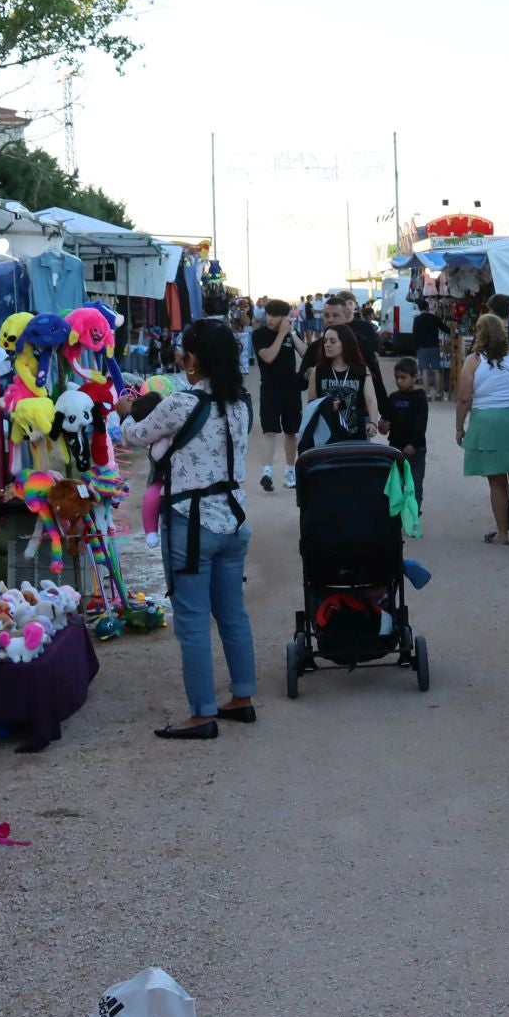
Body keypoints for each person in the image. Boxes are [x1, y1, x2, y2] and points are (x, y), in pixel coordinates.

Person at [118, 318, 257, 740]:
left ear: (193, 359)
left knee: (192, 621)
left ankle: (201, 713)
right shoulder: (241, 404)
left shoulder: (181, 402)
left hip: (191, 524)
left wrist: (125, 412)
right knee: (232, 613)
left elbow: (137, 437)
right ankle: (243, 696)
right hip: (233, 521)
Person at [456, 312, 509, 544]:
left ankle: (503, 533)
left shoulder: (474, 360)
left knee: (496, 482)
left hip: (488, 422)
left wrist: (459, 427)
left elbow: (464, 398)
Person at [252, 300, 305, 490]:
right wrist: (281, 334)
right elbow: (268, 357)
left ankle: (289, 472)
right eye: (268, 314)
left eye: (274, 315)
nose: (270, 319)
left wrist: (290, 332)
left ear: (284, 318)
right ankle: (267, 472)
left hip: (291, 389)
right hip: (270, 388)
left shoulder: (291, 334)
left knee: (292, 431)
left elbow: (306, 354)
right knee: (269, 431)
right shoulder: (260, 335)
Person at [307, 321, 381, 442]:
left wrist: (373, 422)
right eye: (325, 341)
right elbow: (311, 403)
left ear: (346, 343)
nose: (327, 345)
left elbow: (371, 399)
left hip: (356, 434)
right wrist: (326, 405)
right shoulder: (318, 370)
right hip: (326, 435)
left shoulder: (361, 370)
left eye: (333, 341)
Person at [387, 358, 429, 507]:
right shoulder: (393, 398)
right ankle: (396, 519)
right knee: (396, 485)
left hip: (415, 450)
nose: (399, 381)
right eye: (397, 378)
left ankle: (414, 517)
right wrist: (384, 425)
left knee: (414, 485)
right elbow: (387, 418)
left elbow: (421, 423)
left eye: (403, 378)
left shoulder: (419, 398)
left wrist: (413, 443)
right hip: (395, 447)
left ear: (414, 377)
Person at [411, 301, 446, 398]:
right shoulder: (435, 318)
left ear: (419, 308)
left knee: (425, 371)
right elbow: (445, 329)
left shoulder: (417, 320)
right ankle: (438, 394)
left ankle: (427, 394)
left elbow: (415, 335)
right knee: (436, 370)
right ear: (427, 307)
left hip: (422, 348)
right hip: (435, 347)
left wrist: (415, 348)